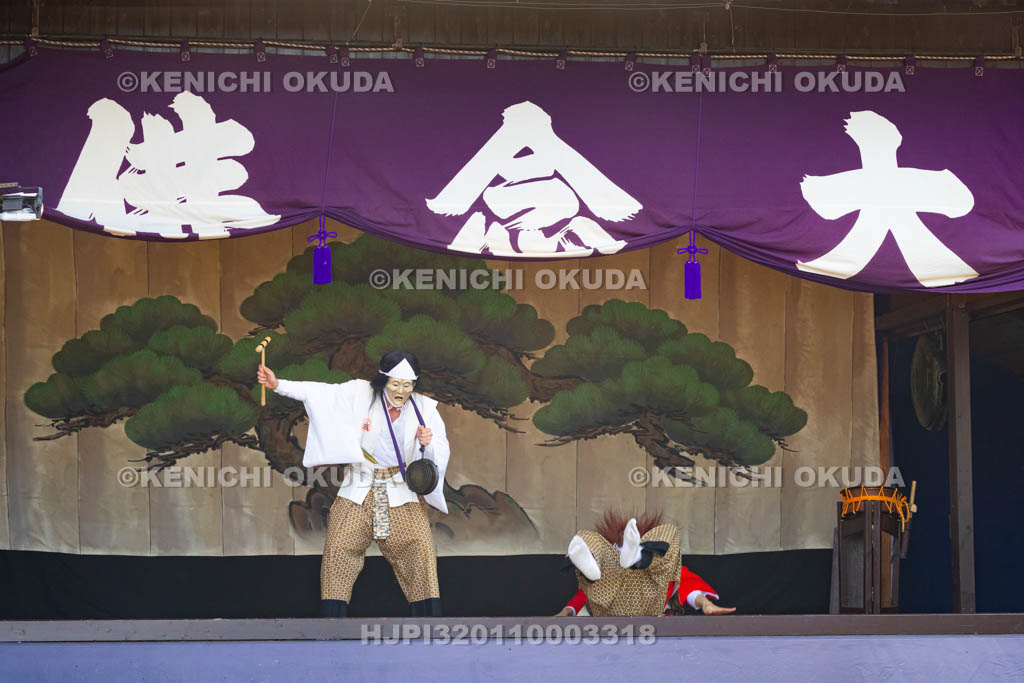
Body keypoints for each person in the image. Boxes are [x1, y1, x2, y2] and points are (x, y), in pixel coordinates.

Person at [256, 350, 450, 618]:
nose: (401, 391)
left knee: (419, 549)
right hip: (361, 485)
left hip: (400, 488)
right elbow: (321, 393)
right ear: (383, 381)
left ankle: (429, 623)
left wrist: (426, 444)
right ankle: (332, 623)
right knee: (338, 549)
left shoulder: (425, 409)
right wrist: (279, 385)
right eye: (395, 384)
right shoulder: (360, 394)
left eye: (407, 385)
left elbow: (438, 452)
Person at [554, 511, 735, 617]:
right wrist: (564, 613)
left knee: (670, 532)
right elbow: (584, 595)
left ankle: (640, 557)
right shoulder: (606, 570)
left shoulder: (664, 570)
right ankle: (591, 562)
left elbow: (688, 586)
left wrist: (705, 604)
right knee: (587, 537)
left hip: (649, 607)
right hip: (610, 609)